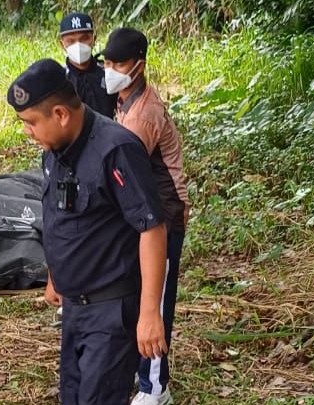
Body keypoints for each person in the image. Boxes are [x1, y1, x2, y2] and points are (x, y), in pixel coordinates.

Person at [7, 59, 168, 405]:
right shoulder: (54, 150)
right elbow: (58, 215)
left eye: (31, 123)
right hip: (75, 307)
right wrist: (56, 273)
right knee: (73, 396)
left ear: (61, 114)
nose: (27, 132)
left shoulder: (116, 150)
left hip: (110, 309)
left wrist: (150, 313)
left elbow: (152, 228)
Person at [102, 27, 190, 405]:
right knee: (140, 292)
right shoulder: (125, 99)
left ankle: (156, 388)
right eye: (106, 62)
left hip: (163, 217)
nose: (110, 70)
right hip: (142, 213)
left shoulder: (144, 115)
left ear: (138, 66)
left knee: (154, 302)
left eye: (117, 64)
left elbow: (124, 170)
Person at [59, 12, 117, 118]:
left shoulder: (109, 73)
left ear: (94, 39)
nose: (78, 45)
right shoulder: (59, 80)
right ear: (62, 44)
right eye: (70, 41)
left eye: (84, 38)